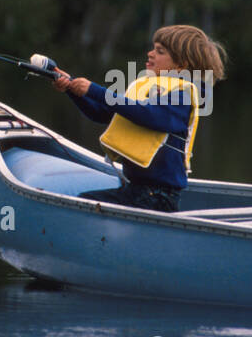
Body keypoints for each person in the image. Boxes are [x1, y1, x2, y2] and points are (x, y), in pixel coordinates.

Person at [52, 25, 227, 213]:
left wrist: (94, 90)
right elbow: (102, 113)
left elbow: (150, 115)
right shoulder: (149, 89)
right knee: (84, 202)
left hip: (158, 197)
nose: (150, 54)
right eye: (153, 48)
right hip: (136, 189)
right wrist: (72, 89)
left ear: (181, 65)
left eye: (159, 51)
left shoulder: (183, 95)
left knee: (83, 205)